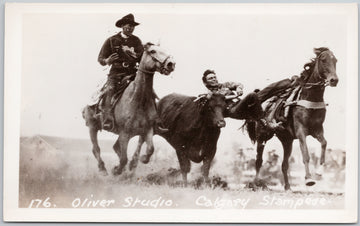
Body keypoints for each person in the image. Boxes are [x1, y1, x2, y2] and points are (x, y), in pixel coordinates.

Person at [97, 13, 144, 130]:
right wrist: (107, 60)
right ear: (122, 26)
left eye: (133, 26)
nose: (131, 28)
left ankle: (153, 118)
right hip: (116, 74)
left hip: (132, 74)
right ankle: (108, 119)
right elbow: (100, 59)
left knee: (146, 89)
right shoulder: (112, 40)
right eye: (128, 25)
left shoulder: (137, 41)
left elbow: (142, 57)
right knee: (110, 90)